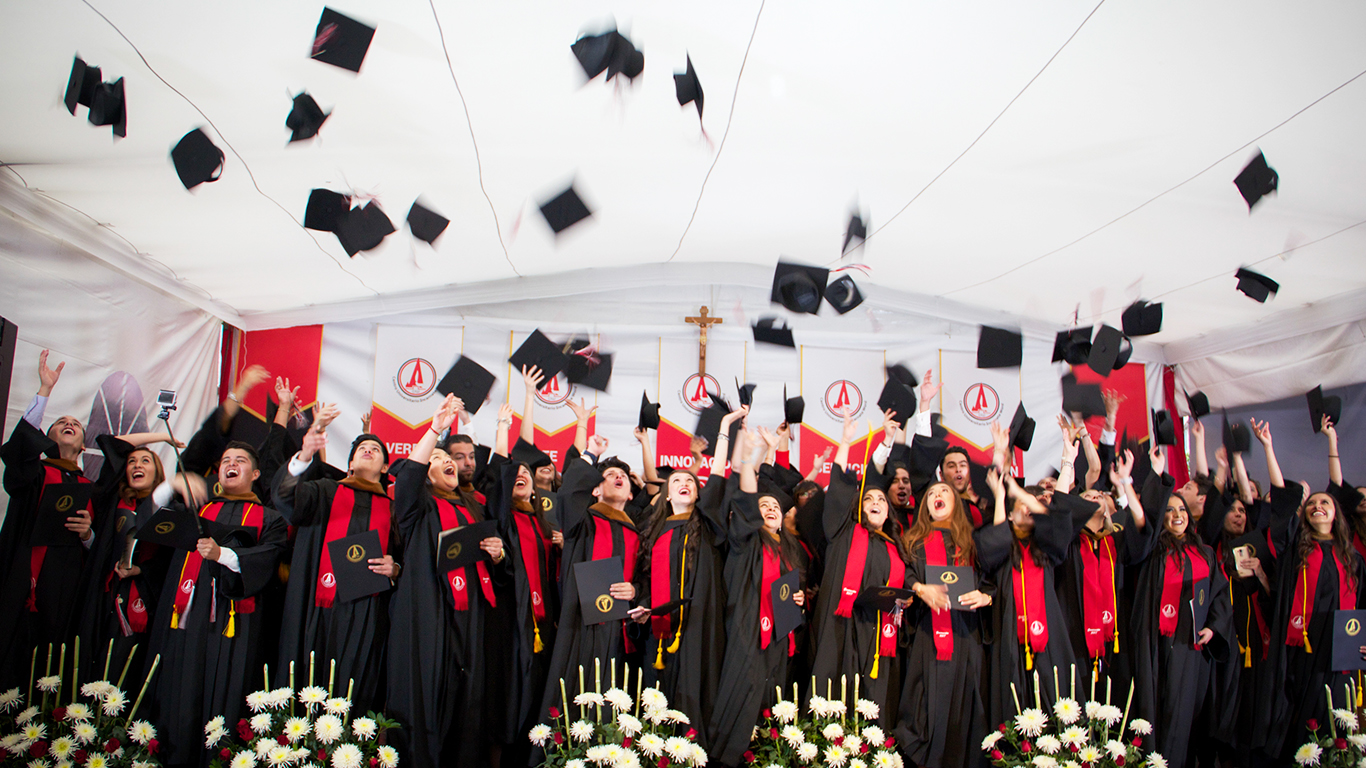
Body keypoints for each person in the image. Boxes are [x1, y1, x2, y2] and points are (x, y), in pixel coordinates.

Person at [144, 440, 289, 766]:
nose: (230, 463)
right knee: (179, 694)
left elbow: (268, 558)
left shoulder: (270, 518)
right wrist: (173, 483)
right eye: (225, 459)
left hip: (235, 624)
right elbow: (149, 521)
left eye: (240, 459)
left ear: (255, 473)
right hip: (185, 618)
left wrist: (222, 555)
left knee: (227, 698)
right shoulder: (196, 510)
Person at [387, 394, 508, 768]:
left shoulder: (473, 507)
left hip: (470, 615)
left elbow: (495, 560)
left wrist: (498, 553)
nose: (446, 463)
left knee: (467, 695)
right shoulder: (416, 508)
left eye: (448, 459)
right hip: (429, 610)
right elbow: (408, 475)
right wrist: (436, 429)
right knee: (428, 688)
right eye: (437, 460)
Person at [1253, 419, 1366, 763]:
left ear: (1336, 516)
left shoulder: (1354, 560)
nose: (1318, 506)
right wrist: (1268, 448)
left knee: (1340, 717)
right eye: (1313, 503)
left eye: (1326, 504)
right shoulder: (1296, 551)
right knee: (1305, 717)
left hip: (1342, 651)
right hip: (1304, 648)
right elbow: (1284, 503)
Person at [271, 418, 399, 713]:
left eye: (376, 449)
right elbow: (284, 496)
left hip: (367, 613)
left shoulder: (393, 508)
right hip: (313, 606)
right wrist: (304, 455)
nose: (368, 449)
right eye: (362, 448)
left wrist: (396, 568)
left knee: (357, 686)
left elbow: (404, 559)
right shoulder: (324, 491)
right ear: (350, 463)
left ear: (384, 469)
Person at [708, 425, 808, 765]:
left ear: (783, 520)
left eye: (775, 508)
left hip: (780, 639)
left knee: (773, 699)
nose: (769, 509)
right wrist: (753, 457)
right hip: (747, 631)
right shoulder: (746, 542)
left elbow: (793, 597)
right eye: (763, 506)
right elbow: (747, 503)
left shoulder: (791, 554)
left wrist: (798, 602)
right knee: (741, 696)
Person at [636, 406, 733, 745]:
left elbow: (717, 477)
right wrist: (643, 604)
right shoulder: (654, 532)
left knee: (697, 686)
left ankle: (697, 751)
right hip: (660, 628)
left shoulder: (707, 524)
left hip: (700, 624)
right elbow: (645, 580)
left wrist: (723, 430)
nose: (683, 483)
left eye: (689, 480)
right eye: (675, 480)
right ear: (665, 492)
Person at [0, 350, 96, 687]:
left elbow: (96, 546)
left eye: (76, 425)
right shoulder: (35, 471)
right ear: (47, 438)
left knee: (51, 660)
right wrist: (45, 392)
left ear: (84, 446)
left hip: (62, 584)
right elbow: (19, 450)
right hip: (18, 572)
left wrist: (88, 535)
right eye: (61, 423)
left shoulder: (89, 488)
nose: (69, 425)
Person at [810, 410, 911, 727]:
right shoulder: (842, 530)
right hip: (837, 627)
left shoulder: (896, 548)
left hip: (875, 632)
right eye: (869, 497)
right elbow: (839, 485)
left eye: (882, 498)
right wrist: (845, 441)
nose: (877, 501)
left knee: (871, 695)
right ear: (858, 506)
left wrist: (905, 598)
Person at [1129, 469, 1231, 768]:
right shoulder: (1151, 551)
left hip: (1191, 645)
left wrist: (1214, 627)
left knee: (1186, 710)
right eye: (1170, 510)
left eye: (1182, 509)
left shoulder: (1206, 553)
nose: (1177, 515)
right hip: (1156, 641)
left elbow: (1219, 595)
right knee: (1156, 704)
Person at [977, 454, 1081, 727]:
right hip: (1009, 634)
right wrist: (1001, 496)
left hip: (1050, 635)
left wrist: (1068, 460)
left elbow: (1057, 519)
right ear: (1009, 514)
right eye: (1021, 506)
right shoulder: (1002, 549)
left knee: (1057, 698)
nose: (1028, 509)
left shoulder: (1048, 548)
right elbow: (992, 546)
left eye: (1032, 506)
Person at [895, 478, 990, 768]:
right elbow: (904, 575)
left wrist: (986, 596)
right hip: (928, 635)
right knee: (925, 705)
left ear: (956, 502)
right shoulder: (912, 541)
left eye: (944, 491)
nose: (937, 495)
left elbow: (993, 581)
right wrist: (921, 589)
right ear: (925, 506)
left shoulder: (974, 542)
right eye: (932, 493)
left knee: (966, 709)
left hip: (966, 635)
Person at [486, 402, 560, 768]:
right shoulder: (502, 519)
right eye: (515, 474)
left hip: (543, 624)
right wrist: (504, 426)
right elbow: (501, 470)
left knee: (536, 696)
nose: (522, 475)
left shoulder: (545, 526)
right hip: (510, 621)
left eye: (528, 474)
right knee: (509, 695)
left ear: (536, 488)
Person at [78, 429, 183, 683]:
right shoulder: (114, 502)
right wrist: (161, 437)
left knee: (132, 670)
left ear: (157, 471)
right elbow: (116, 445)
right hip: (104, 598)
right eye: (132, 462)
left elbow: (171, 563)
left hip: (146, 601)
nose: (136, 465)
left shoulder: (170, 511)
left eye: (145, 461)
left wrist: (141, 570)